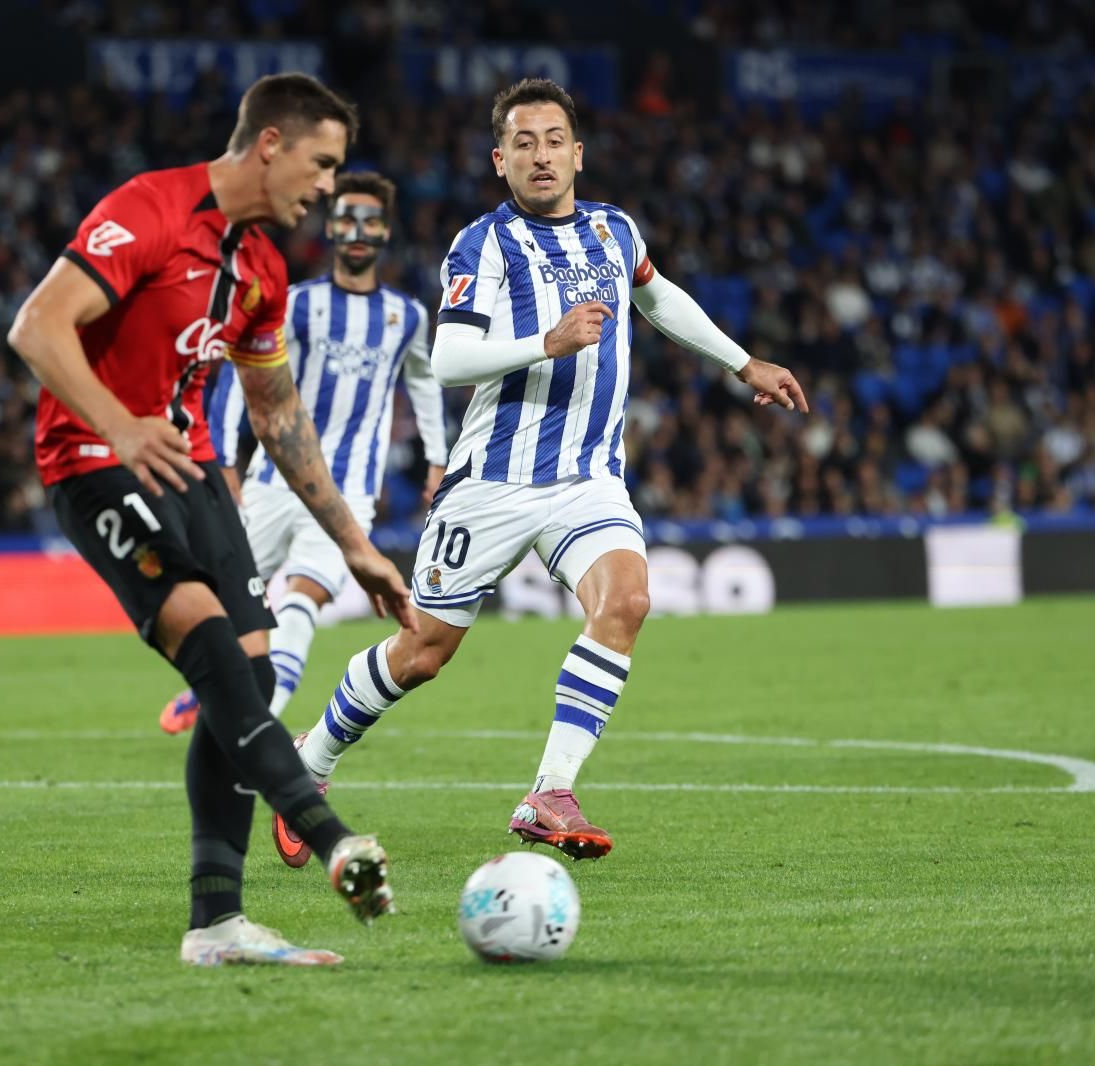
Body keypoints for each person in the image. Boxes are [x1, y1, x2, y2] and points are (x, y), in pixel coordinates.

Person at [283, 78, 809, 862]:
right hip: (492, 481)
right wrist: (547, 343)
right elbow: (452, 355)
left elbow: (658, 300)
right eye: (523, 143)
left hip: (588, 479)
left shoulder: (615, 232)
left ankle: (550, 792)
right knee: (423, 651)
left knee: (626, 600)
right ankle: (306, 766)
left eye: (554, 140)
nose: (541, 155)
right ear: (500, 161)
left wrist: (742, 363)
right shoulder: (483, 244)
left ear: (578, 154)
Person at [8, 73, 410, 967]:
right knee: (213, 654)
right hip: (94, 464)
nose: (328, 187)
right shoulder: (150, 208)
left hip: (189, 474)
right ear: (271, 143)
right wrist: (117, 424)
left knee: (253, 681)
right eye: (322, 163)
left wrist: (356, 546)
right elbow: (38, 328)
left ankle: (217, 923)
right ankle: (334, 837)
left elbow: (276, 415)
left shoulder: (264, 267)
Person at [157, 170, 448, 744]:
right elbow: (244, 380)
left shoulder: (407, 316)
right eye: (347, 218)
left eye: (370, 220)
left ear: (386, 230)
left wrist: (437, 461)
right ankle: (214, 686)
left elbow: (425, 384)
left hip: (350, 494)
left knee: (303, 597)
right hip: (271, 479)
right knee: (222, 599)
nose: (358, 231)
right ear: (331, 227)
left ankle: (258, 721)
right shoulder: (296, 303)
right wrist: (227, 463)